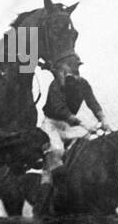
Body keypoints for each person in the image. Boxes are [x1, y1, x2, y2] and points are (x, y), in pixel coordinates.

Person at [39, 51, 110, 192]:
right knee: (57, 150)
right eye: (70, 66)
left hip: (68, 127)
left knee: (88, 143)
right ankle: (47, 187)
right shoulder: (55, 85)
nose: (74, 69)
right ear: (63, 68)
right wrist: (83, 123)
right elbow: (60, 110)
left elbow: (93, 103)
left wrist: (103, 119)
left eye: (76, 66)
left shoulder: (83, 84)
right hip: (51, 124)